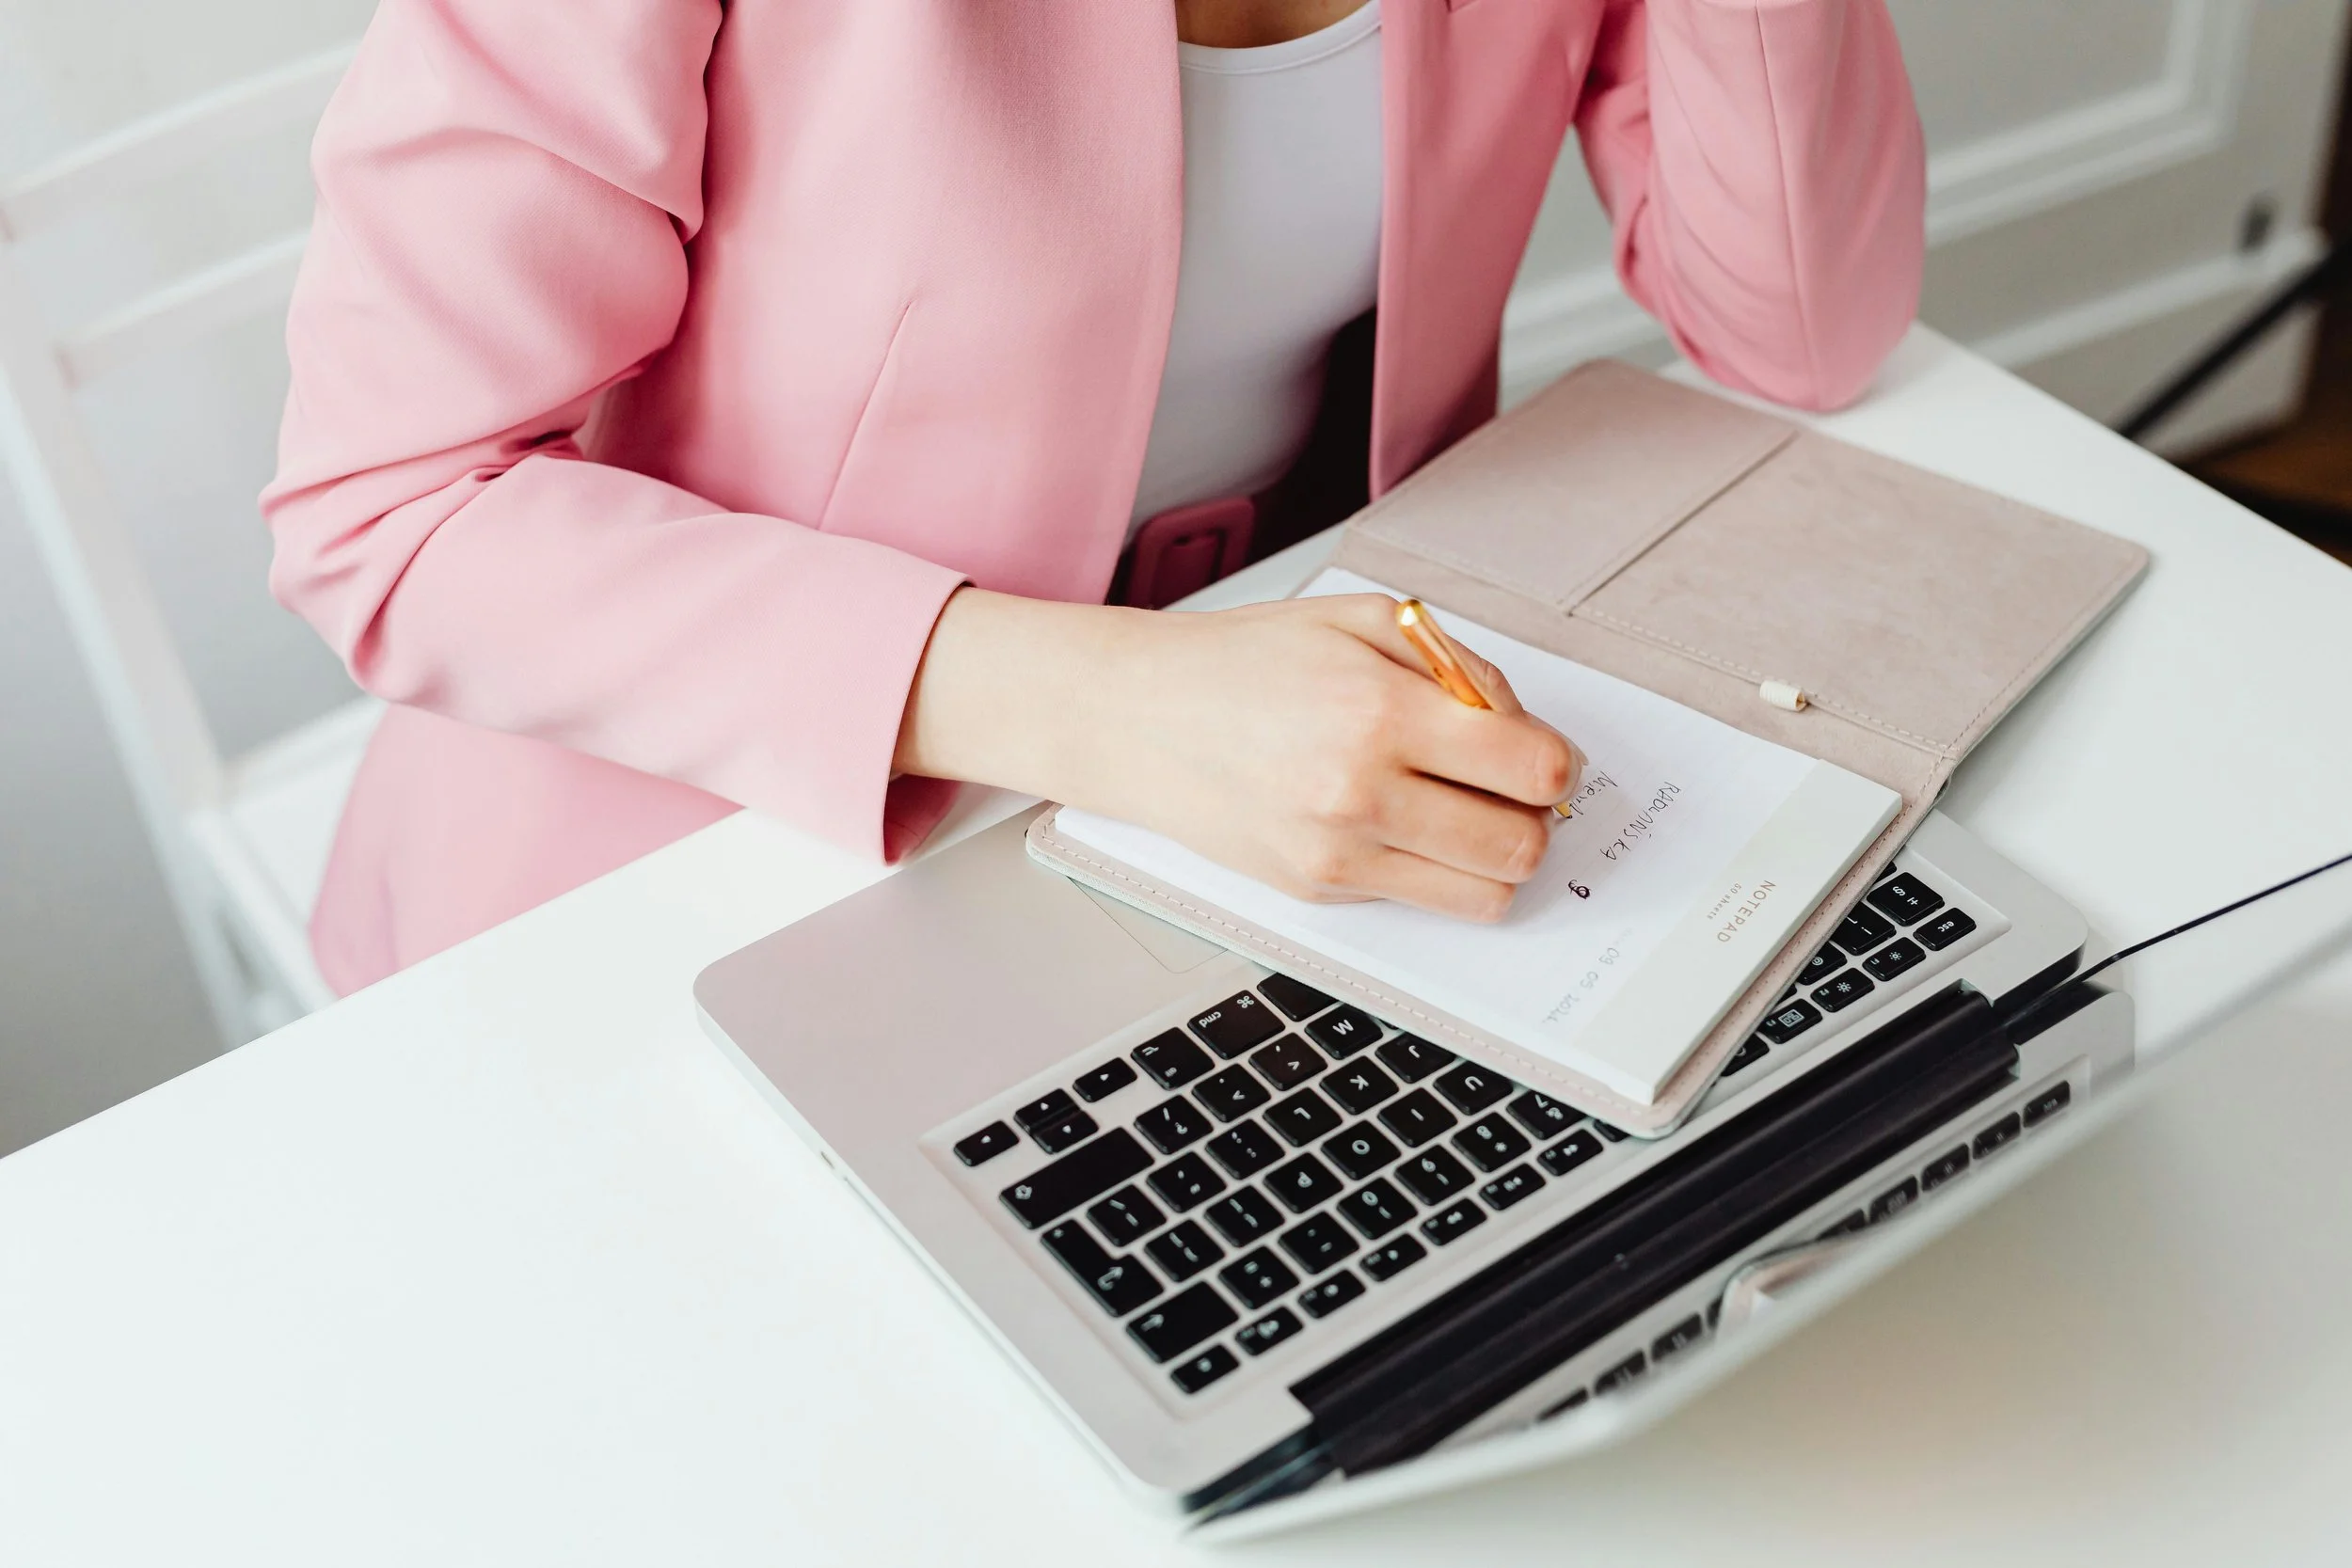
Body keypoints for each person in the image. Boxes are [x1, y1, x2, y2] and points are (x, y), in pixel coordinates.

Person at [263, 0, 1925, 995]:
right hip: (691, 858)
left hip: (1298, 807)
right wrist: (1123, 710)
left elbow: (1801, 326)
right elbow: (393, 505)